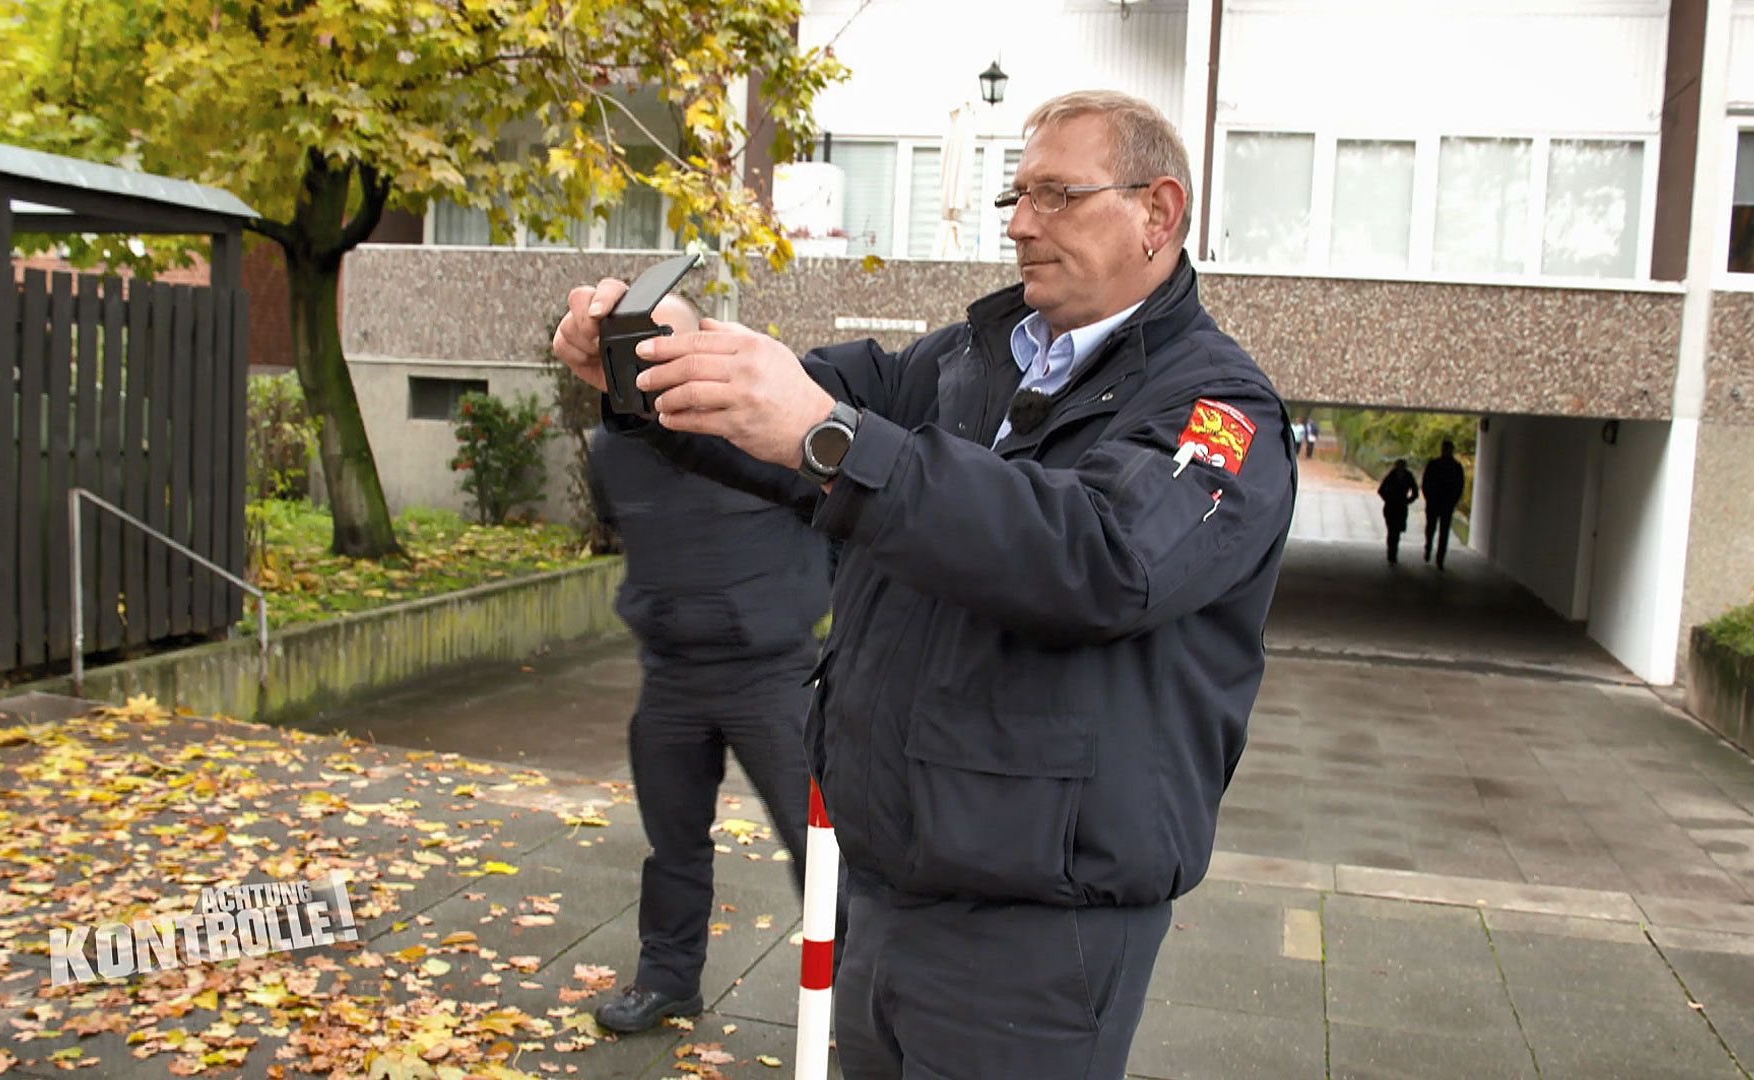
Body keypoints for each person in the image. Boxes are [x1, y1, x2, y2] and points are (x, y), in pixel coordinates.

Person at [552, 90, 1297, 1079]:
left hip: (1037, 930)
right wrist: (670, 367)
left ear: (1157, 212)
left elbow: (1106, 558)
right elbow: (802, 418)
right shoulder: (971, 361)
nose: (1022, 222)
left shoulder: (1218, 407)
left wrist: (834, 437)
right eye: (1016, 195)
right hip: (889, 885)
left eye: (1057, 195)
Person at [586, 296, 835, 1035]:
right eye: (639, 343)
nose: (653, 354)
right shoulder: (615, 448)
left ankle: (866, 1002)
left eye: (670, 337)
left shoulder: (764, 430)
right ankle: (668, 981)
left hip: (773, 676)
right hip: (669, 678)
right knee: (673, 844)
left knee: (819, 848)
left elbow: (844, 516)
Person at [1421, 439, 1465, 569]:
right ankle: (1430, 549)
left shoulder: (1451, 466)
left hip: (1444, 503)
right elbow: (1426, 483)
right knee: (1432, 529)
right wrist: (1429, 497)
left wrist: (1452, 501)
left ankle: (1439, 558)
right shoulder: (1439, 465)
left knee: (1441, 531)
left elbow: (1459, 486)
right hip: (1437, 502)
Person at [1377, 458, 1418, 565]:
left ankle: (1392, 553)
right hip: (1391, 507)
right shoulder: (1392, 475)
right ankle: (1392, 554)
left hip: (1400, 507)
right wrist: (1389, 499)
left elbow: (1415, 492)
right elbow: (1381, 490)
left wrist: (1407, 501)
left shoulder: (1408, 476)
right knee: (1392, 531)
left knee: (1396, 531)